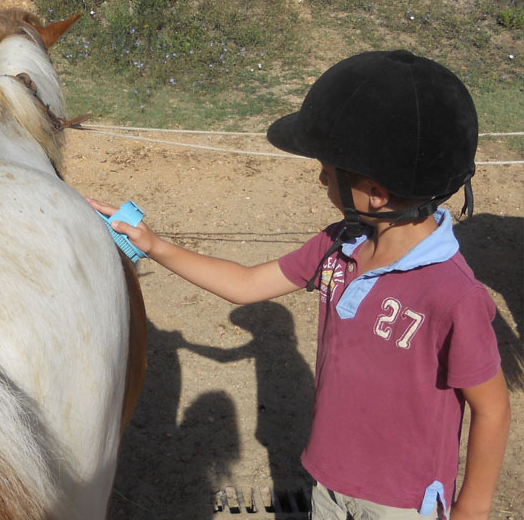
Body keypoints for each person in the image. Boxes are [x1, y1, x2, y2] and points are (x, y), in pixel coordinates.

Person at [89, 50, 510, 519]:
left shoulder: (453, 295)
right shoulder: (340, 245)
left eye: (329, 175)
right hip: (328, 483)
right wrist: (153, 244)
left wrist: (473, 508)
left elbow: (491, 407)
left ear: (375, 192)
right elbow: (246, 284)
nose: (319, 179)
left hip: (402, 505)